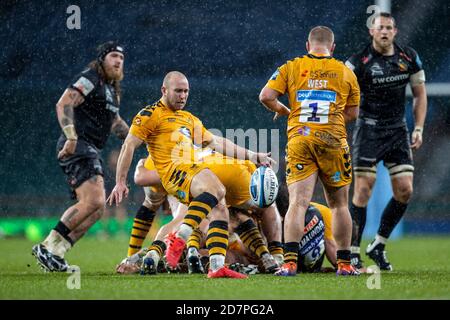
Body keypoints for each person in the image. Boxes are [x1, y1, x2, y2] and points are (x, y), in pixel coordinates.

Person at [108, 71, 274, 279]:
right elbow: (128, 145)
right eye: (178, 91)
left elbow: (217, 142)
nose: (183, 96)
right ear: (164, 90)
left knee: (221, 208)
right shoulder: (150, 115)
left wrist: (252, 155)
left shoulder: (188, 118)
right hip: (174, 172)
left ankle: (216, 266)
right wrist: (120, 181)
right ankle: (182, 237)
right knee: (218, 190)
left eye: (186, 91)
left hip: (192, 169)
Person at [259, 26, 360, 276]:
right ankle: (345, 264)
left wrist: (286, 111)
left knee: (298, 203)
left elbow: (266, 96)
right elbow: (353, 112)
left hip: (300, 140)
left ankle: (290, 263)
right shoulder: (346, 72)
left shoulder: (292, 67)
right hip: (333, 141)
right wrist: (329, 121)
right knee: (338, 205)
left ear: (307, 45)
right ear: (332, 47)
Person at [31, 42, 129, 272]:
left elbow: (115, 122)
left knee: (97, 209)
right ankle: (47, 246)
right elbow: (64, 102)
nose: (118, 61)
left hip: (90, 148)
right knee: (93, 201)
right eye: (113, 56)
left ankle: (56, 251)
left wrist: (138, 137)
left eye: (122, 58)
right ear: (102, 59)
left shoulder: (111, 89)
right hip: (77, 145)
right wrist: (71, 137)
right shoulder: (91, 77)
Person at [345, 12, 427, 271]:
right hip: (368, 131)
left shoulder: (409, 57)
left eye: (389, 28)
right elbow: (343, 97)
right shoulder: (358, 62)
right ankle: (354, 252)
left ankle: (378, 244)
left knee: (405, 190)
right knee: (363, 190)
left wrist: (419, 128)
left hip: (397, 131)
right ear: (372, 31)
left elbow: (419, 95)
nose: (384, 32)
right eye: (380, 27)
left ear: (395, 31)